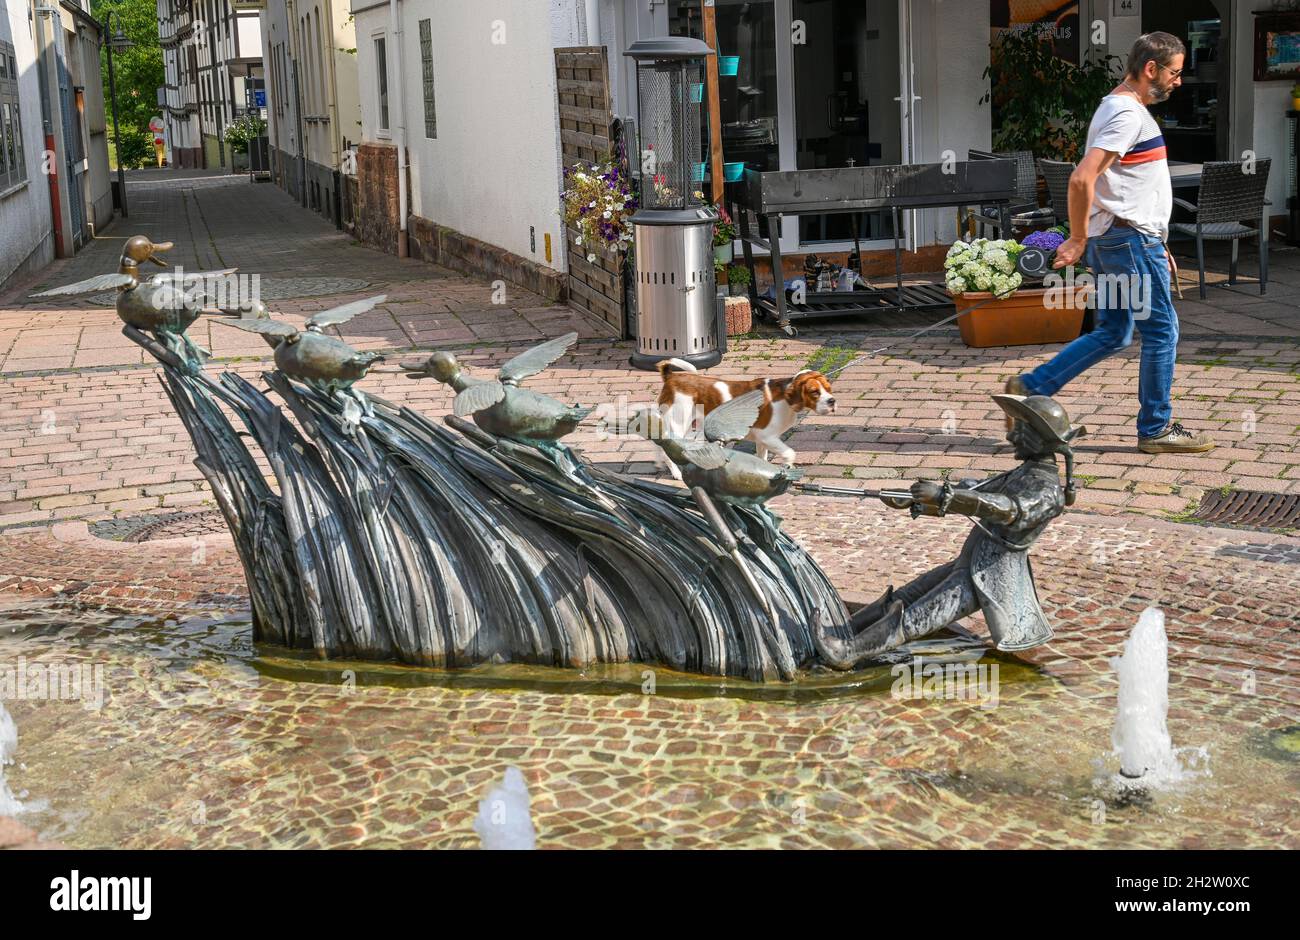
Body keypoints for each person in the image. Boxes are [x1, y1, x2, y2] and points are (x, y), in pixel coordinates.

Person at [1006, 32, 1215, 454]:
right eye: (1174, 72)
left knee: (1116, 332)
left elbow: (1126, 184)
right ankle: (1155, 429)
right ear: (1150, 69)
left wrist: (1157, 240)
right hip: (1127, 240)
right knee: (1162, 330)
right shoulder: (1127, 115)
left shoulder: (1115, 107)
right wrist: (1079, 237)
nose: (1179, 81)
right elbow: (1084, 177)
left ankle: (1030, 385)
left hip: (1126, 238)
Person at [813, 394, 1082, 670]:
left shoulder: (1047, 492)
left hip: (990, 576)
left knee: (917, 617)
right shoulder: (1025, 473)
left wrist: (944, 496)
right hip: (970, 564)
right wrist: (920, 501)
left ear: (1038, 439)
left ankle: (846, 652)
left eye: (1020, 431)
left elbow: (1007, 509)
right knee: (902, 598)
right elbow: (975, 490)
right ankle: (843, 631)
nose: (1012, 437)